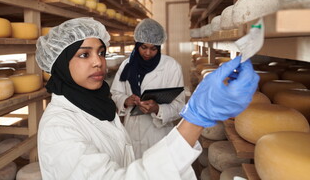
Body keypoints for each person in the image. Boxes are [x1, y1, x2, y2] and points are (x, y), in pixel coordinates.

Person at [35, 17, 259, 179]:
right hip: (135, 129)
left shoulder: (93, 104)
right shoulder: (58, 129)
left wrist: (157, 109)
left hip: (157, 132)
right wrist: (127, 101)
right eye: (84, 54)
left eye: (101, 53)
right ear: (61, 65)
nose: (98, 62)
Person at [110, 18, 186, 159]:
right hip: (131, 131)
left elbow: (180, 106)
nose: (148, 53)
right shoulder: (127, 65)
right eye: (143, 47)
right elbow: (115, 93)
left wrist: (158, 109)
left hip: (158, 135)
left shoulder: (171, 66)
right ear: (137, 44)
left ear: (159, 47)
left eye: (153, 49)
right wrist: (126, 100)